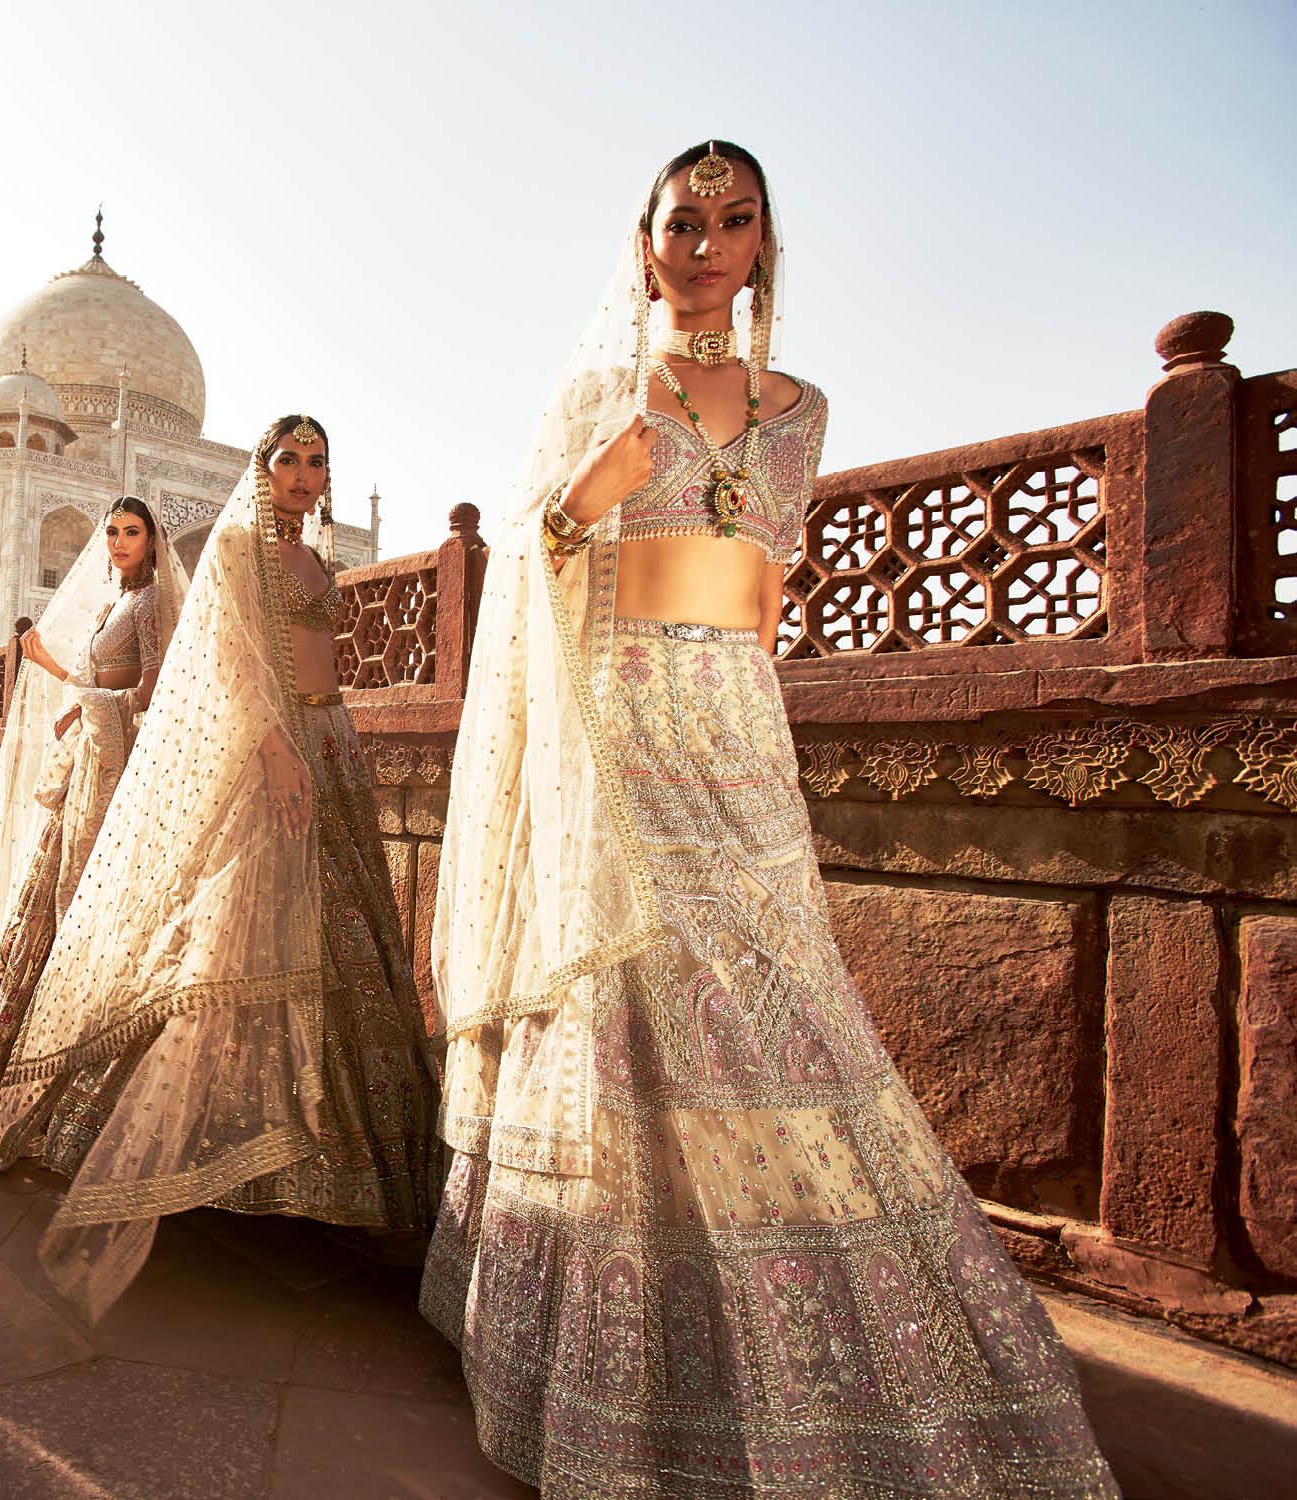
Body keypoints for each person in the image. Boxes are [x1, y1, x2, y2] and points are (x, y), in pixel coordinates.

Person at [422, 140, 1117, 1496]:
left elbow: (763, 591)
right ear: (642, 245)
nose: (704, 247)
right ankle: (630, 1354)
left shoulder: (800, 412)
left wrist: (747, 720)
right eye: (681, 223)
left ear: (761, 249)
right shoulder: (595, 394)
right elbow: (529, 577)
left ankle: (820, 1317)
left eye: (732, 222)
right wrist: (577, 501)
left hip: (737, 732)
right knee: (637, 1011)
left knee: (779, 1003)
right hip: (620, 731)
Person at [0, 416, 440, 1321]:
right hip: (272, 751)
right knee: (233, 936)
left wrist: (325, 739)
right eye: (287, 460)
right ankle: (204, 1146)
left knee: (342, 939)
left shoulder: (318, 560)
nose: (302, 475)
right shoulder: (235, 549)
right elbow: (230, 659)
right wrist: (275, 750)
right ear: (261, 470)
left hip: (332, 741)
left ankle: (339, 1167)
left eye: (317, 461)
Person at [0, 498, 187, 1119]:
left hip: (117, 772)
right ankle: (22, 1059)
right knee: (51, 891)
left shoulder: (152, 601)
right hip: (90, 763)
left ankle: (82, 1066)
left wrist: (83, 701)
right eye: (111, 532)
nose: (118, 542)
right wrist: (63, 682)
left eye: (131, 532)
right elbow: (97, 681)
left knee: (89, 896)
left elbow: (151, 690)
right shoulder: (117, 601)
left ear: (153, 541)